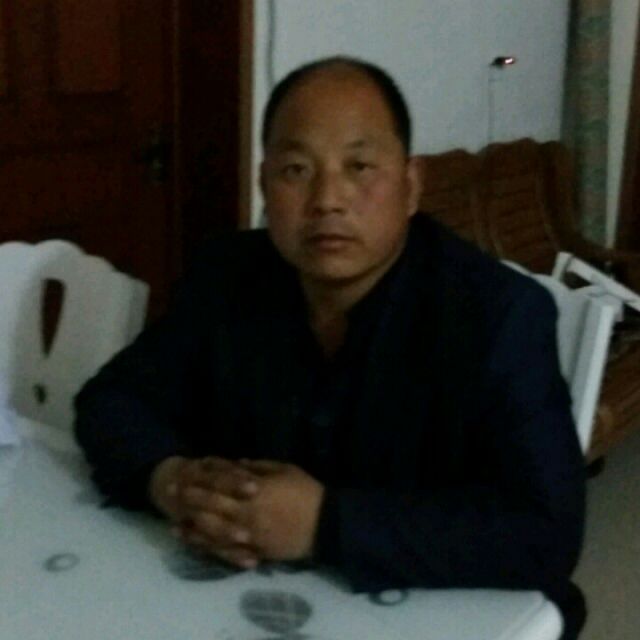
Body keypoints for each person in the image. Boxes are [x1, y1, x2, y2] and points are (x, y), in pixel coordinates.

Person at [74, 57, 586, 638]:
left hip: (447, 614)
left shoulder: (497, 315)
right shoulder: (226, 275)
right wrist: (169, 480)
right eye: (296, 169)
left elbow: (545, 532)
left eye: (359, 166)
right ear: (264, 183)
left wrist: (325, 524)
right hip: (256, 603)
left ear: (411, 185)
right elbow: (111, 400)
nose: (327, 200)